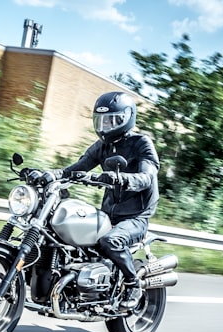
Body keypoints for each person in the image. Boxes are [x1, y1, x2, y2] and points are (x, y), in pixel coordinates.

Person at [48, 91, 160, 310]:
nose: (106, 126)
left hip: (136, 216)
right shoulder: (102, 147)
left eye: (112, 120)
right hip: (109, 213)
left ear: (127, 117)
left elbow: (146, 178)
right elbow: (73, 170)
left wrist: (120, 178)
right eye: (101, 121)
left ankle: (132, 283)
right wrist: (49, 175)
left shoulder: (141, 143)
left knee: (110, 241)